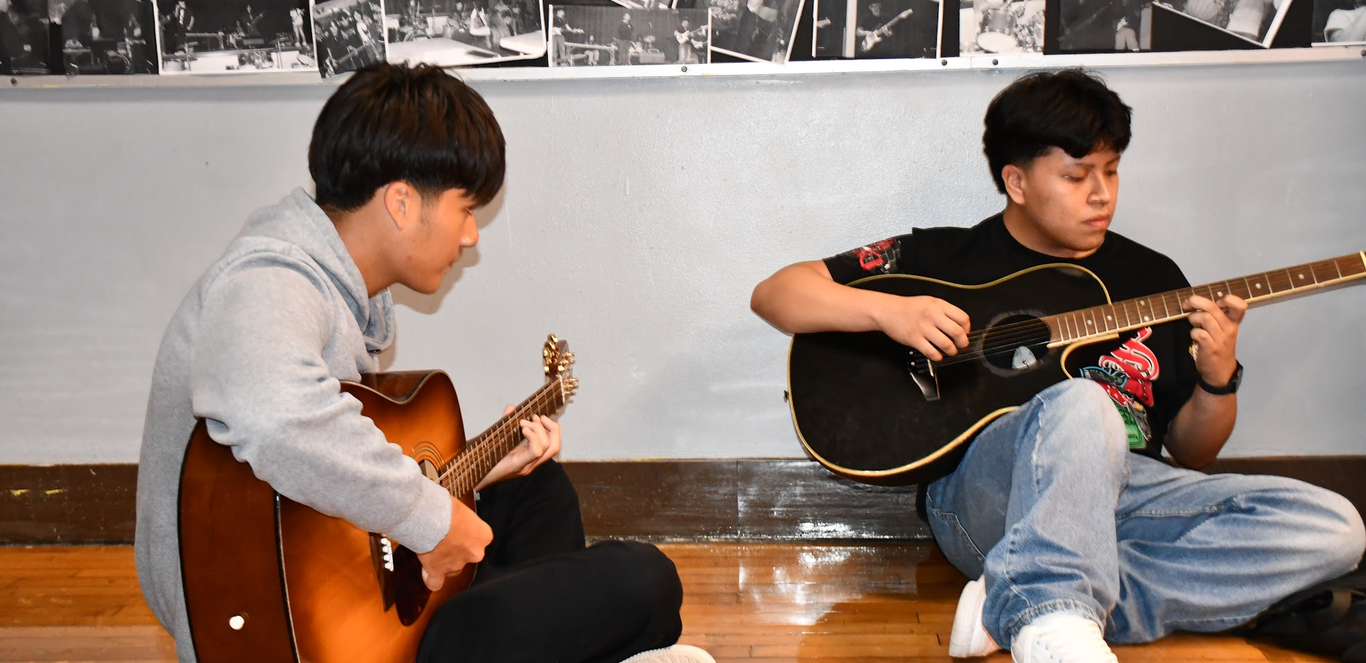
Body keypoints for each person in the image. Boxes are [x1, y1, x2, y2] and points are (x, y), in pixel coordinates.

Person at [750, 69, 1365, 663]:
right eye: (1076, 176)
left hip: (1127, 495)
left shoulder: (1154, 279)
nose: (1102, 194)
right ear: (1017, 182)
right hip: (988, 498)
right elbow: (777, 294)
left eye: (1111, 171)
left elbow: (1194, 452)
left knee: (1333, 531)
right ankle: (1051, 602)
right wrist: (890, 312)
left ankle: (1026, 604)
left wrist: (1216, 377)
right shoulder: (946, 257)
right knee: (1083, 401)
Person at [134, 62, 714, 663]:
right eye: (466, 209)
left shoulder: (334, 292)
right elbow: (271, 412)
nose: (472, 235)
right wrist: (429, 517)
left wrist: (478, 473)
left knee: (538, 489)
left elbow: (322, 489)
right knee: (647, 579)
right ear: (402, 203)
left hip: (350, 598)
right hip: (293, 634)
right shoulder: (270, 278)